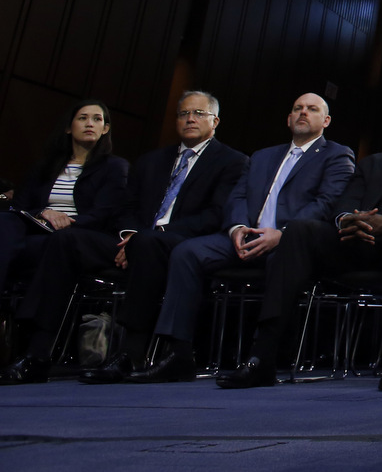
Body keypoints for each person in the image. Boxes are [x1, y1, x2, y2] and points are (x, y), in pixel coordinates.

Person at [213, 99, 382, 391]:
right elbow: (346, 200)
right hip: (355, 243)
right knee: (298, 230)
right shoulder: (374, 162)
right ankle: (262, 356)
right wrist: (348, 219)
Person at [131, 93, 354, 384]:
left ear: (325, 121)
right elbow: (237, 196)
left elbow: (327, 203)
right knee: (187, 253)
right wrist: (236, 227)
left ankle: (262, 358)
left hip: (289, 243)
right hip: (245, 236)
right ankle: (179, 354)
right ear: (288, 118)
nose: (303, 113)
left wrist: (282, 234)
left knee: (283, 258)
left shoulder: (336, 154)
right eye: (297, 108)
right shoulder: (262, 156)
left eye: (312, 109)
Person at [24, 92, 246, 385]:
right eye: (183, 114)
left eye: (199, 114)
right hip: (132, 240)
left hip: (181, 244)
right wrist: (129, 235)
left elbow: (217, 214)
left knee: (147, 244)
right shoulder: (152, 160)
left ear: (215, 121)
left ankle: (130, 353)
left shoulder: (233, 161)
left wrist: (152, 235)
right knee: (66, 240)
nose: (190, 119)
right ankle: (37, 354)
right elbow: (126, 207)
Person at [0, 100, 128, 384]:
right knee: (4, 222)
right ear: (70, 127)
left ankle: (37, 353)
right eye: (83, 118)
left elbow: (107, 212)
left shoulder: (114, 167)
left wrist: (67, 222)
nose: (89, 123)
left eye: (97, 119)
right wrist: (42, 213)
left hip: (86, 239)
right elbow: (19, 207)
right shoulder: (45, 167)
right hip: (41, 236)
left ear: (106, 129)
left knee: (62, 242)